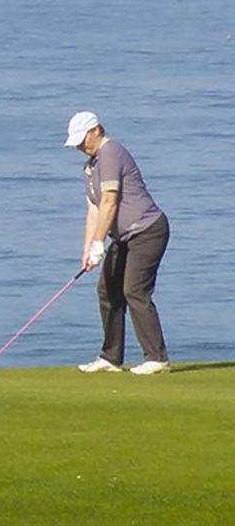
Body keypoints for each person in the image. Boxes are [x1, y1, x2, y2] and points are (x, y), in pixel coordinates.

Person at [64, 111, 170, 375]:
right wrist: (89, 248)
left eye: (82, 139)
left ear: (96, 130)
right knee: (108, 291)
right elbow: (94, 210)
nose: (79, 146)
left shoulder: (111, 152)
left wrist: (100, 243)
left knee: (134, 290)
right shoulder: (90, 166)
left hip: (147, 230)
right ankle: (111, 357)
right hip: (123, 237)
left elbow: (110, 201)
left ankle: (157, 358)